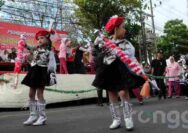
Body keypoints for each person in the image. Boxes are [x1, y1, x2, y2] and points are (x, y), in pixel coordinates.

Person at [92, 15, 145, 130]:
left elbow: (130, 55)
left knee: (124, 92)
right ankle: (116, 119)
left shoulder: (126, 43)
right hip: (108, 70)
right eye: (123, 27)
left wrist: (117, 50)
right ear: (116, 29)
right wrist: (97, 46)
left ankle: (128, 118)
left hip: (121, 71)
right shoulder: (105, 41)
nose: (125, 30)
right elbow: (95, 55)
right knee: (111, 94)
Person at [21, 30, 57, 126]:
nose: (39, 40)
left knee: (39, 93)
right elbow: (27, 46)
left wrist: (52, 76)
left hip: (42, 72)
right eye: (38, 38)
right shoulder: (36, 48)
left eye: (42, 38)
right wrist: (23, 40)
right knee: (30, 93)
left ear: (48, 40)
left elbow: (52, 65)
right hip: (34, 71)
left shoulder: (50, 51)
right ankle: (32, 115)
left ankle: (42, 117)